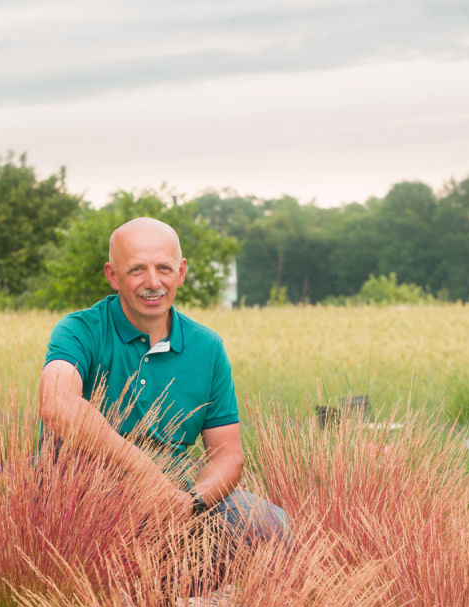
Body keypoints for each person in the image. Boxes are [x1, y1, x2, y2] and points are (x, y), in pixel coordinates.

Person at [38, 216, 288, 545]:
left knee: (271, 526)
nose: (153, 282)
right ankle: (94, 592)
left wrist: (191, 502)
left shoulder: (207, 347)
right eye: (137, 269)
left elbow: (228, 456)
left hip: (174, 503)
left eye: (164, 269)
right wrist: (143, 474)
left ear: (181, 272)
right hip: (82, 504)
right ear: (113, 276)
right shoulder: (80, 330)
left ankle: (162, 593)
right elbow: (57, 403)